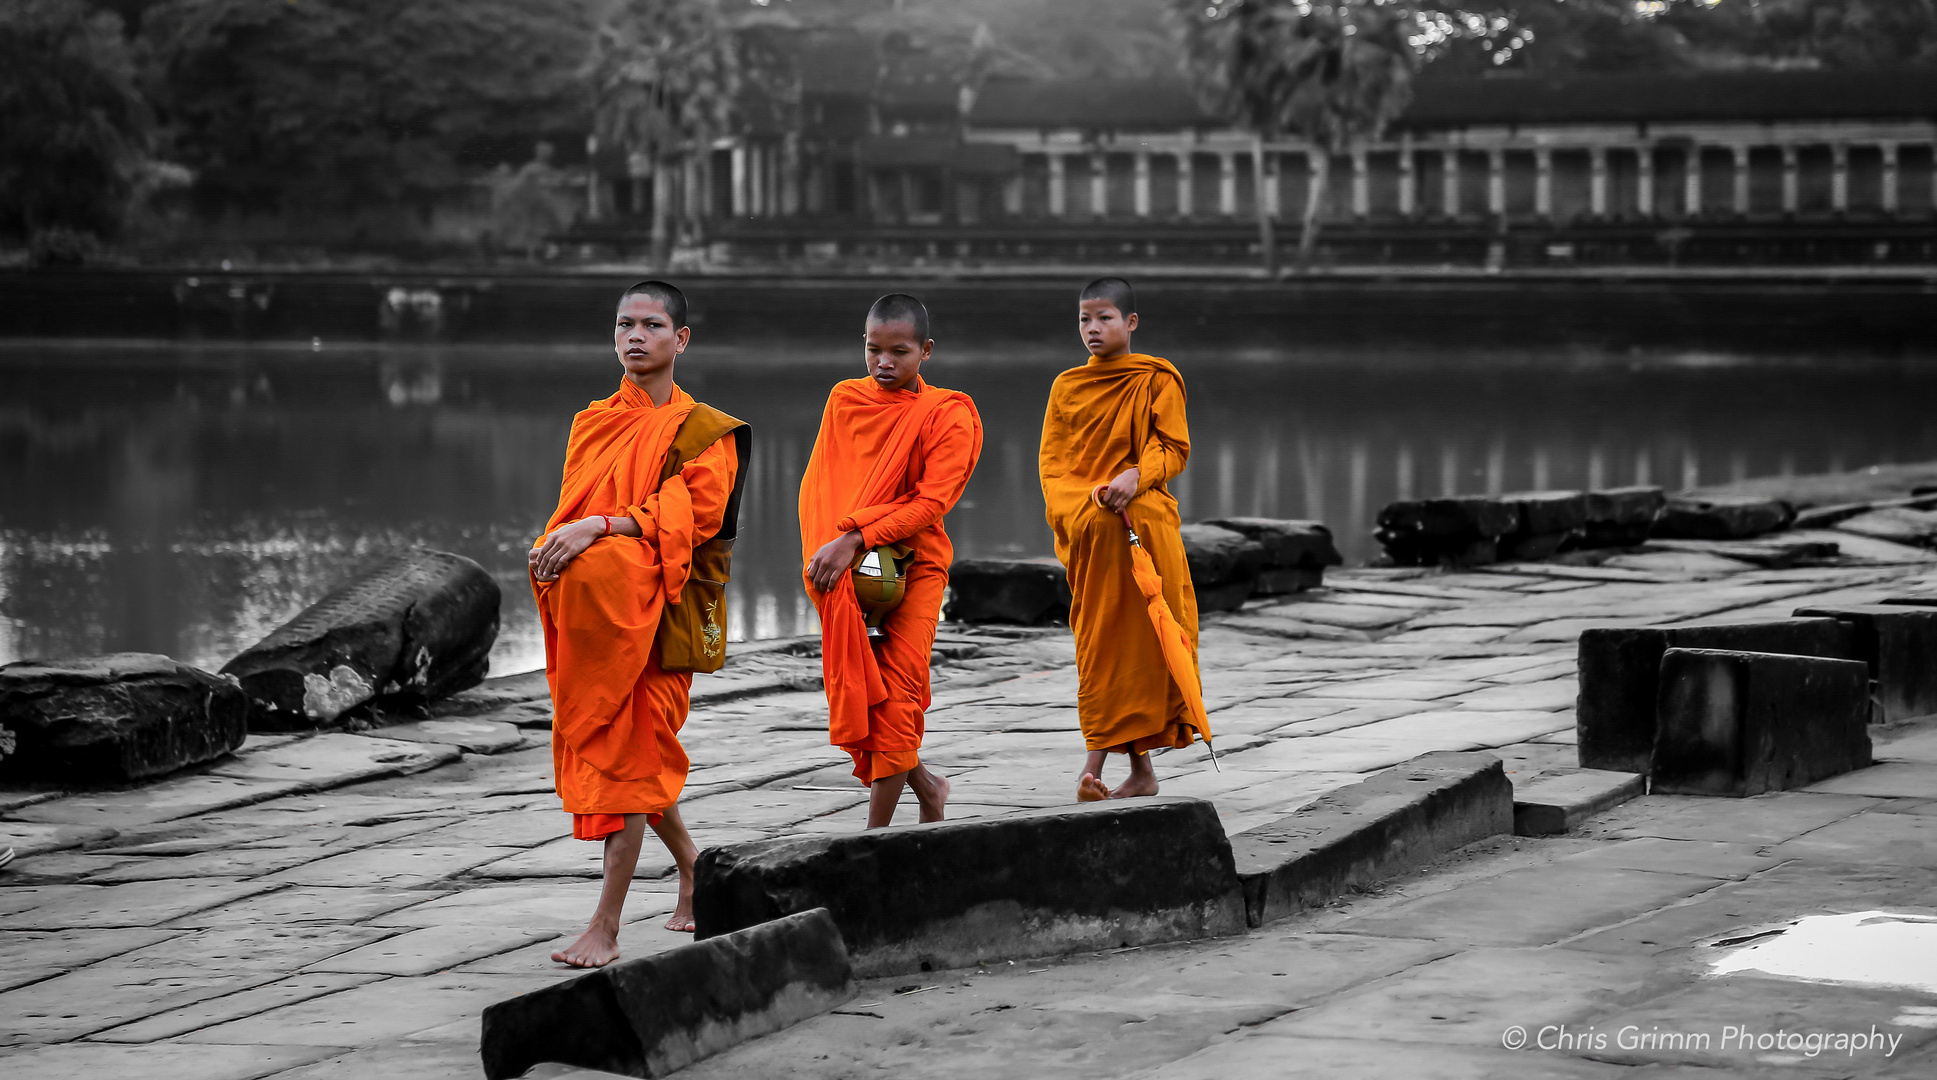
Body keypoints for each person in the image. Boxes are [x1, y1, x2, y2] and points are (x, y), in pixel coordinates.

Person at [529, 280, 744, 966]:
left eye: (652, 325)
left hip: (662, 615)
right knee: (639, 757)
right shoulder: (592, 421)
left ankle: (606, 927)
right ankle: (692, 868)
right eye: (624, 323)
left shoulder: (704, 432)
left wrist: (602, 526)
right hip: (595, 620)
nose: (635, 336)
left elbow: (696, 520)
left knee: (630, 757)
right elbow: (568, 515)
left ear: (680, 340)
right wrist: (568, 539)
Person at [799, 293, 983, 827]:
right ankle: (928, 787)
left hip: (917, 567)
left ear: (925, 351)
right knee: (869, 690)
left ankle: (875, 836)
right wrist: (830, 553)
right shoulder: (844, 399)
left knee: (898, 694)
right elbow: (821, 487)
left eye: (898, 352)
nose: (884, 363)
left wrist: (855, 537)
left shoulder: (948, 413)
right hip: (847, 573)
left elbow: (932, 503)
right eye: (873, 349)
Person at [1039, 277, 1206, 802]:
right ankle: (1138, 773)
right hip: (1093, 534)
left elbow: (1174, 448)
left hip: (1144, 529)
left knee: (1145, 648)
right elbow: (1054, 468)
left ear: (1130, 323)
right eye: (1084, 319)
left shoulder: (1157, 379)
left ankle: (1096, 770)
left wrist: (1136, 476)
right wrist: (1086, 505)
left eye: (1104, 318)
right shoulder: (1067, 387)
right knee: (1102, 646)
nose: (1093, 328)